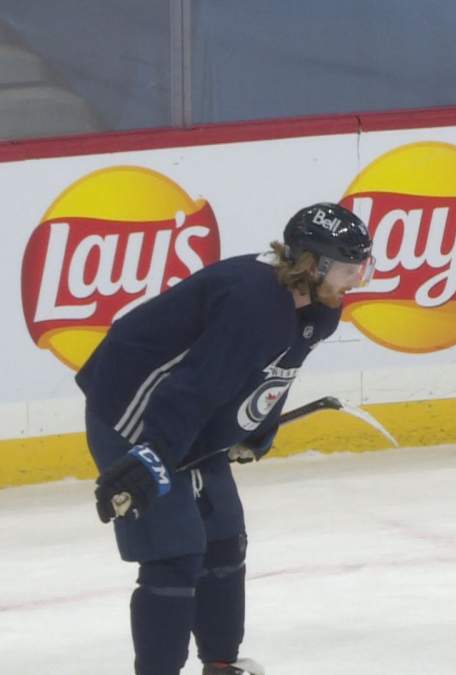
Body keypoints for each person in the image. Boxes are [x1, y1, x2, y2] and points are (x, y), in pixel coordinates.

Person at [79, 202, 373, 675]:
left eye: (361, 267)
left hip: (188, 418)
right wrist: (151, 458)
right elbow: (192, 387)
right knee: (175, 551)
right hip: (134, 410)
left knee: (223, 539)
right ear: (311, 265)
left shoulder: (319, 309)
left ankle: (220, 664)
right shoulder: (254, 305)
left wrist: (255, 430)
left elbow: (276, 373)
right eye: (346, 267)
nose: (356, 279)